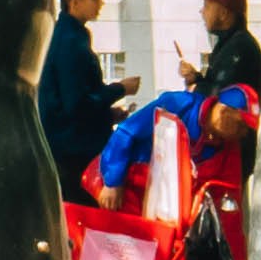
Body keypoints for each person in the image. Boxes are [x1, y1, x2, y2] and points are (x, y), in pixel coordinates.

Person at [87, 81, 252, 214]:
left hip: (170, 212)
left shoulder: (228, 146)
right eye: (242, 125)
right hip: (129, 192)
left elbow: (229, 200)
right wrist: (112, 183)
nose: (244, 134)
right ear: (223, 112)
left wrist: (234, 254)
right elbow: (126, 132)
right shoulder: (179, 104)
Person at [37, 0, 130, 190]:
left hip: (70, 144)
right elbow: (77, 103)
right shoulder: (70, 42)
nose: (100, 4)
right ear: (75, 1)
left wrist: (107, 114)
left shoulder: (69, 35)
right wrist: (120, 89)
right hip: (74, 151)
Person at [192, 0, 261, 99]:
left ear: (223, 13)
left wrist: (194, 87)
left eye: (207, 6)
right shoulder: (227, 43)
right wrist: (194, 77)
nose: (202, 11)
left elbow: (220, 95)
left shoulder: (240, 47)